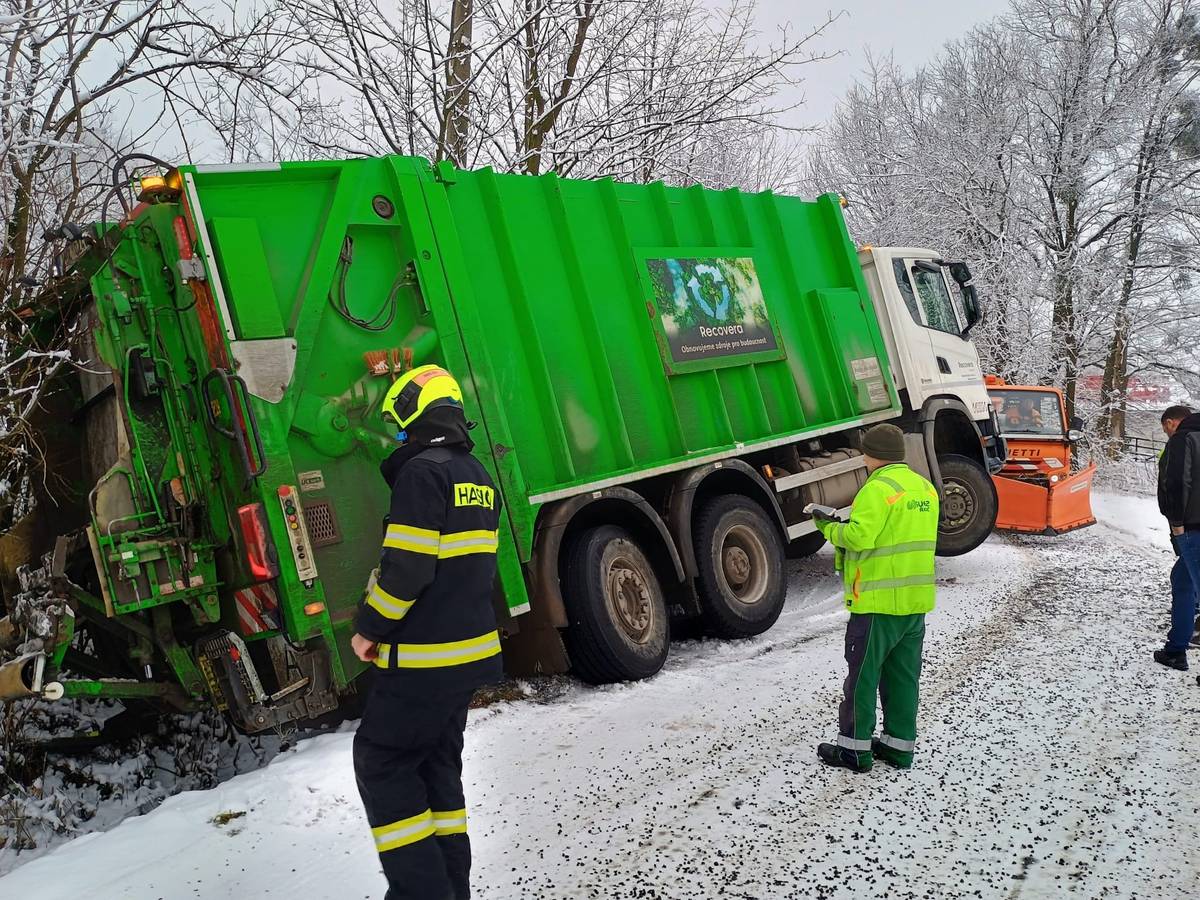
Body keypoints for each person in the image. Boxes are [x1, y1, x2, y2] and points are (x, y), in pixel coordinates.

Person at [351, 364, 503, 900]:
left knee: (381, 760)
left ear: (415, 414)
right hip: (466, 658)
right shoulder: (479, 476)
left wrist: (368, 629)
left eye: (398, 424)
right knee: (438, 770)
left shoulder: (422, 475)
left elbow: (408, 571)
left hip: (424, 659)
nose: (397, 436)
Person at [811, 423, 941, 772]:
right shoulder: (924, 489)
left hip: (877, 604)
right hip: (914, 605)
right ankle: (899, 748)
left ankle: (854, 750)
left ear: (872, 455)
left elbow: (858, 537)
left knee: (863, 679)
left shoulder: (876, 489)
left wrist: (826, 526)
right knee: (903, 679)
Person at [1155, 405, 1200, 674]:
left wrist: (1177, 524)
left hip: (1193, 527)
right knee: (1182, 582)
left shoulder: (1183, 439)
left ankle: (1176, 650)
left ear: (1172, 423)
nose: (1167, 433)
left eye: (1166, 428)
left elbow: (1176, 483)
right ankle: (1175, 650)